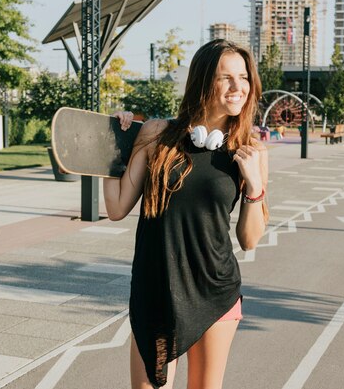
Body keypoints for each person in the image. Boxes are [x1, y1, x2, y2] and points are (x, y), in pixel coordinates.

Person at [104, 39, 269, 389]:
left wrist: (254, 186)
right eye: (226, 77)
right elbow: (117, 208)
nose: (238, 87)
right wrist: (108, 148)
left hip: (215, 290)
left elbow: (249, 239)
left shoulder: (251, 151)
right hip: (157, 288)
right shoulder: (157, 135)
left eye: (243, 77)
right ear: (203, 81)